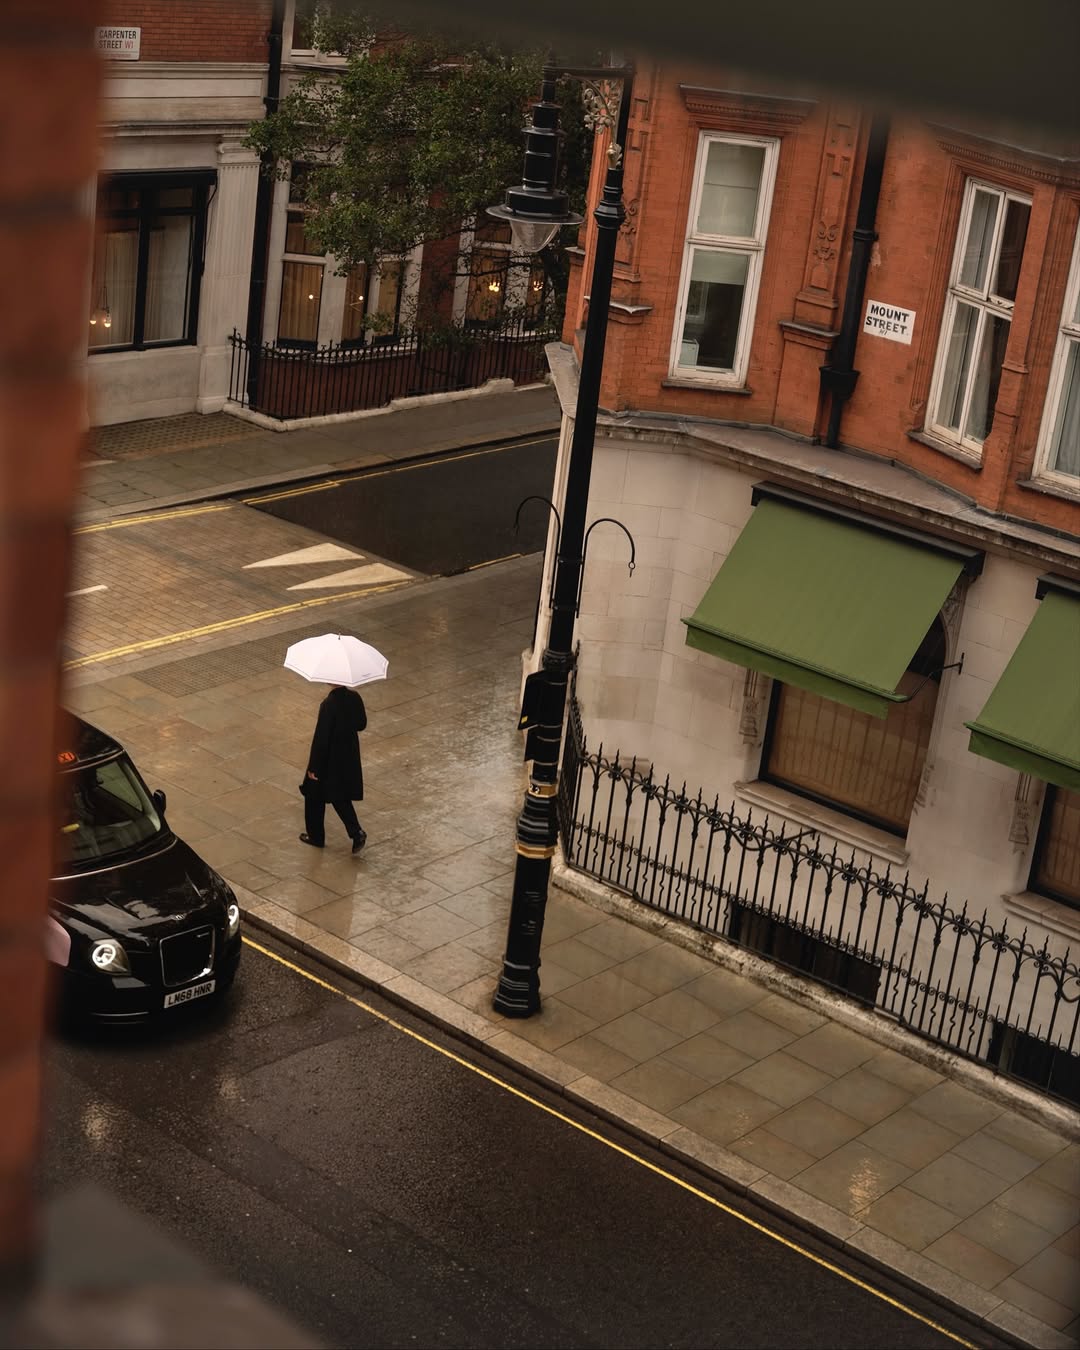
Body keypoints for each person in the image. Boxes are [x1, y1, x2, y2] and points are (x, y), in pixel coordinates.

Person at [299, 684, 368, 853]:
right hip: (348, 756)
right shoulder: (355, 697)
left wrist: (314, 767)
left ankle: (316, 836)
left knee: (314, 792)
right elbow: (361, 724)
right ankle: (356, 832)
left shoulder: (328, 705)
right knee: (339, 796)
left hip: (330, 759)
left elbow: (321, 738)